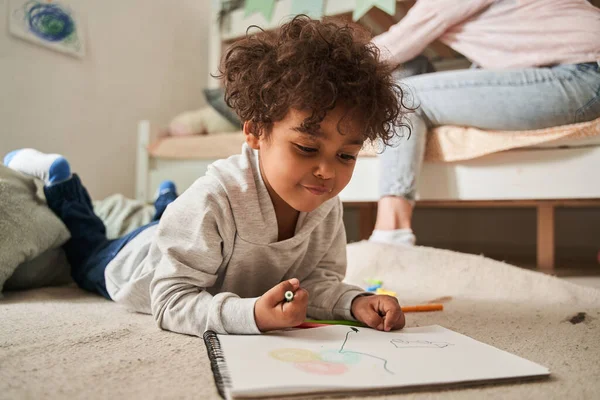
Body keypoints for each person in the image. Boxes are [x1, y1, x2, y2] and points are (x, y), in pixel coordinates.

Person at [4, 16, 408, 336]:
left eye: (347, 155)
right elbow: (169, 300)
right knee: (85, 247)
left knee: (167, 218)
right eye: (306, 148)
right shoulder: (216, 197)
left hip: (185, 233)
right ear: (254, 131)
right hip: (131, 263)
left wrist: (352, 302)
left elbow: (314, 282)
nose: (327, 171)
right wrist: (251, 315)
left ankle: (164, 206)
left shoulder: (325, 205)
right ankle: (60, 182)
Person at [368, 0, 600, 246]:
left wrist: (328, 77)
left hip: (581, 75)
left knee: (404, 98)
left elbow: (393, 45)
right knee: (408, 71)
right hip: (575, 72)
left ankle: (391, 234)